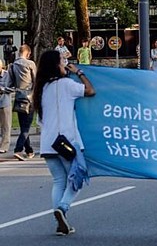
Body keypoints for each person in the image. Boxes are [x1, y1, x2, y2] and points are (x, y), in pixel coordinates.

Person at [34, 50, 95, 235]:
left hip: (47, 143)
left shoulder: (41, 89)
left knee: (58, 180)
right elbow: (90, 91)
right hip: (66, 141)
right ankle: (63, 207)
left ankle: (60, 222)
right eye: (62, 60)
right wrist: (79, 72)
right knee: (76, 179)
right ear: (56, 65)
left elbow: (41, 120)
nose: (65, 63)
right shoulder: (67, 84)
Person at [10, 44, 37, 160]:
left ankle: (29, 150)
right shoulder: (30, 64)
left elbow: (10, 83)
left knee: (23, 126)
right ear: (28, 53)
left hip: (18, 97)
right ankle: (18, 149)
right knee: (26, 127)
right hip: (29, 97)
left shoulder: (12, 65)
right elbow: (36, 80)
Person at [0, 59, 11, 153]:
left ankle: (4, 146)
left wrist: (3, 89)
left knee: (6, 126)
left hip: (4, 103)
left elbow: (12, 87)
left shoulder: (7, 75)